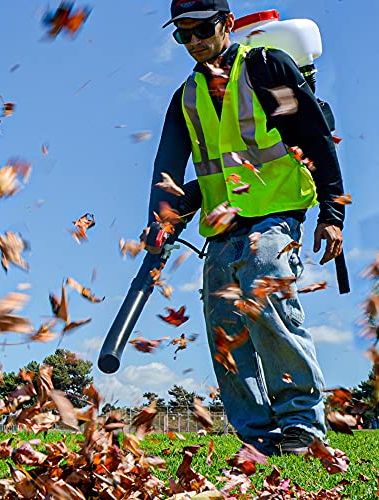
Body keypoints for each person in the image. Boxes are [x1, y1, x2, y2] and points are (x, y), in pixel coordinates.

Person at [144, 0, 345, 456]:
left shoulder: (266, 68)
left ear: (227, 24)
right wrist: (159, 221)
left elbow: (312, 136)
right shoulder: (186, 97)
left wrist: (333, 213)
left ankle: (301, 426)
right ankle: (256, 433)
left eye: (202, 30)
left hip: (276, 212)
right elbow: (167, 168)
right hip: (221, 226)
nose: (194, 42)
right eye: (184, 36)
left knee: (264, 293)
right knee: (225, 326)